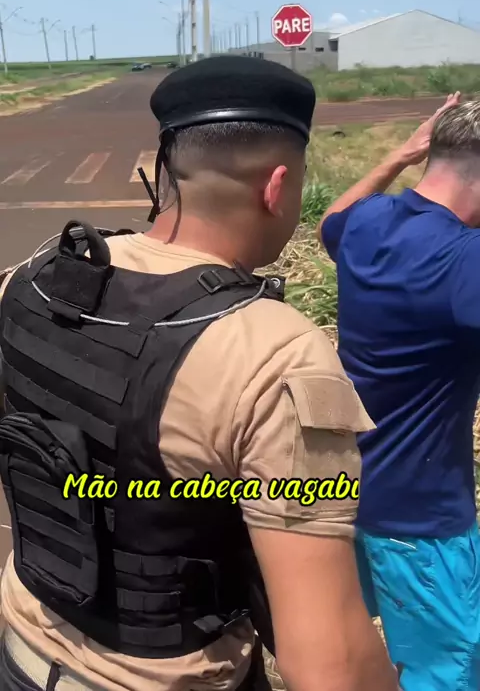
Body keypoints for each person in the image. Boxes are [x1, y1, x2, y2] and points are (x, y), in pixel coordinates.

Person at [0, 55, 399, 691]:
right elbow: (329, 663)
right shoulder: (275, 353)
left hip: (19, 655)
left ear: (165, 171)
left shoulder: (34, 278)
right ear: (277, 187)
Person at [317, 91, 480, 691]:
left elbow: (328, 222)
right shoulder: (464, 260)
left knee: (342, 656)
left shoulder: (369, 223)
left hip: (340, 488)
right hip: (422, 515)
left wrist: (396, 158)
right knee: (445, 673)